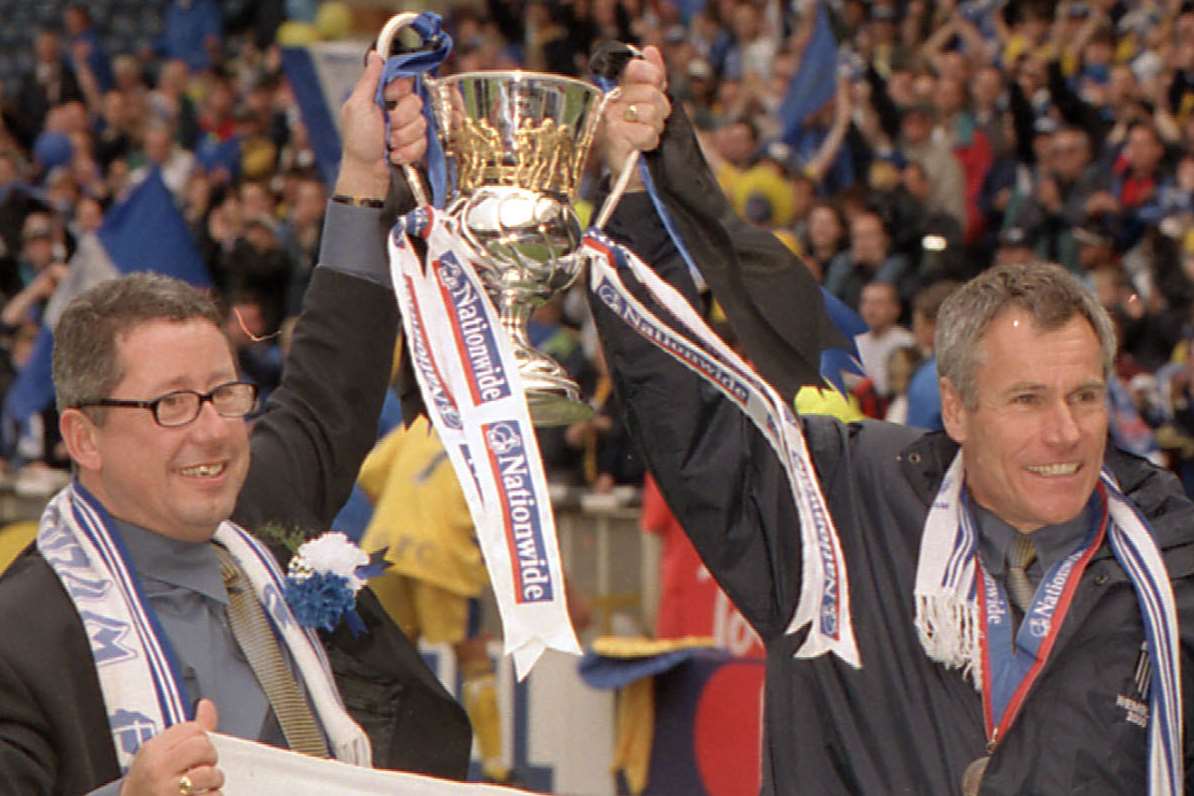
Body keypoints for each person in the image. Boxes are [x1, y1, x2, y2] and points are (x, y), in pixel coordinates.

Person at [591, 48, 1194, 794]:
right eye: (1028, 399)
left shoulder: (1167, 548)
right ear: (956, 408)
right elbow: (686, 413)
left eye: (1085, 396)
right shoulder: (837, 508)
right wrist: (635, 190)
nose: (1066, 433)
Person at [0, 52, 470, 794]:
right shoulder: (20, 636)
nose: (214, 431)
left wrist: (364, 175)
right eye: (171, 405)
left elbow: (330, 380)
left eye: (225, 393)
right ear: (82, 437)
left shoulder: (258, 505)